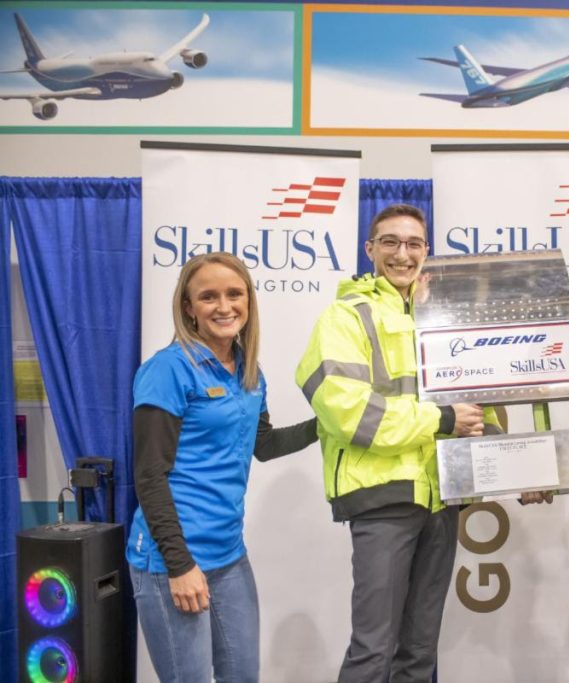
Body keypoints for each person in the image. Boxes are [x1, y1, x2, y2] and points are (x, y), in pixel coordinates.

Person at [296, 204, 502, 682]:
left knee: (419, 651)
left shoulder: (442, 317)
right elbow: (349, 413)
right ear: (371, 250)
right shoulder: (344, 317)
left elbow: (476, 403)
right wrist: (442, 419)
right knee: (374, 650)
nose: (402, 254)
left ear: (426, 253)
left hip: (441, 498)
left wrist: (506, 454)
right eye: (390, 242)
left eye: (413, 244)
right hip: (383, 498)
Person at [128, 252, 318, 682]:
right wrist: (179, 565)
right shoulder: (168, 370)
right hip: (171, 558)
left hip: (228, 555)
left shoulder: (248, 371)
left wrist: (330, 425)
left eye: (235, 294)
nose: (224, 306)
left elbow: (264, 445)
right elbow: (149, 476)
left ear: (249, 302)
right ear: (188, 308)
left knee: (241, 676)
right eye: (208, 296)